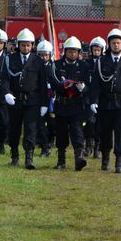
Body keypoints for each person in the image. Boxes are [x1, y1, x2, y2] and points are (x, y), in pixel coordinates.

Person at [90, 28, 121, 173]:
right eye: (113, 43)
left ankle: (119, 160)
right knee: (105, 132)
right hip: (106, 102)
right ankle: (105, 158)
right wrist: (94, 100)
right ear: (109, 44)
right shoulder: (101, 61)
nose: (116, 45)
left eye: (118, 43)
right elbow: (96, 83)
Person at [1, 28, 48, 169]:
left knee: (31, 129)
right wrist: (6, 93)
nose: (25, 47)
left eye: (28, 45)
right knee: (14, 129)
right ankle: (14, 154)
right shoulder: (9, 59)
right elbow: (4, 79)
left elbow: (43, 84)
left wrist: (44, 103)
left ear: (32, 45)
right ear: (18, 45)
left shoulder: (38, 61)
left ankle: (29, 157)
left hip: (32, 101)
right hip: (15, 100)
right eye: (23, 45)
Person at [49, 36, 90, 171]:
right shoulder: (56, 65)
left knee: (77, 131)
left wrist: (83, 88)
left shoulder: (84, 66)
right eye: (70, 51)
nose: (72, 54)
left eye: (75, 52)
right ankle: (61, 160)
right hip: (61, 104)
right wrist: (70, 86)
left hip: (77, 105)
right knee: (61, 132)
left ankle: (79, 158)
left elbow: (88, 84)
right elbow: (55, 83)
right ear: (65, 51)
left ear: (79, 53)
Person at [84, 36, 106, 159]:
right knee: (89, 122)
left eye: (98, 50)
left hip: (101, 98)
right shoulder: (86, 64)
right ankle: (88, 144)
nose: (96, 52)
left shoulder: (105, 63)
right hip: (88, 97)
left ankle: (98, 146)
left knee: (100, 123)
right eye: (94, 50)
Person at [35, 40, 56, 157]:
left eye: (45, 55)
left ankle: (51, 140)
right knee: (40, 124)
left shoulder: (54, 67)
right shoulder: (35, 67)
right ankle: (44, 147)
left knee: (52, 123)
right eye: (41, 55)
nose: (43, 57)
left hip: (52, 99)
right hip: (39, 99)